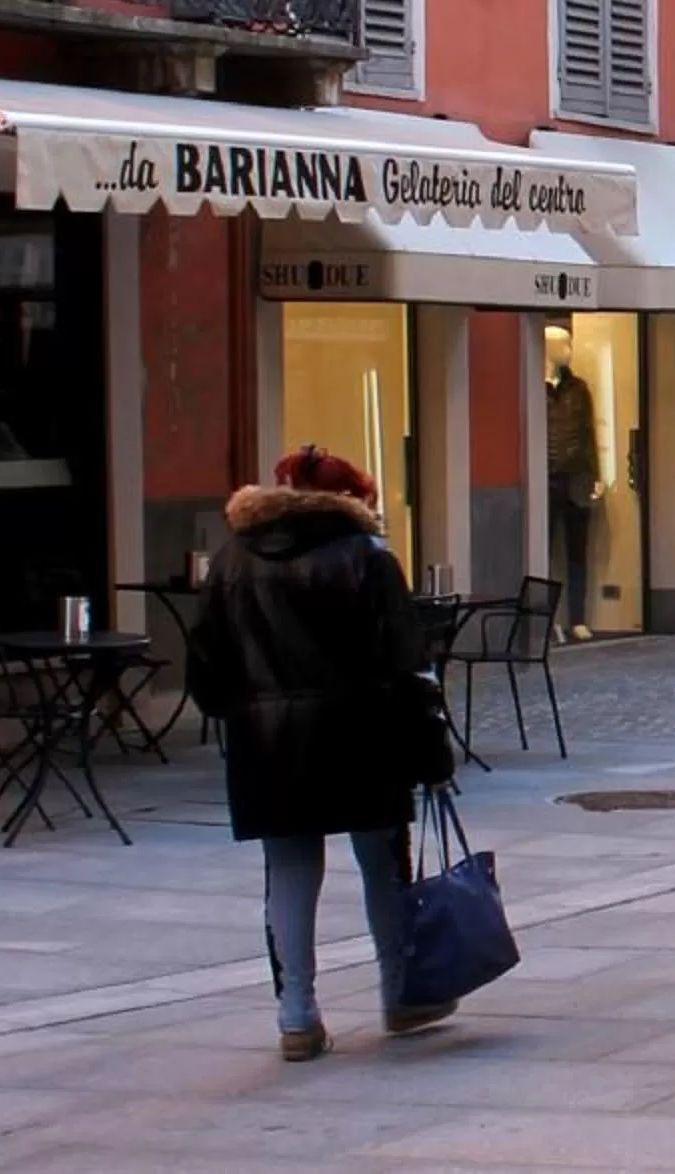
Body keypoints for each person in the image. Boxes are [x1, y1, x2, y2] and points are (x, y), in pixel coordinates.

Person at [186, 445, 455, 1060]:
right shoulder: (366, 555)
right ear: (352, 499)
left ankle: (297, 1016)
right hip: (363, 730)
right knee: (383, 866)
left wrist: (242, 712)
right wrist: (431, 747)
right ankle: (401, 993)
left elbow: (205, 663)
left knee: (288, 871)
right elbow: (408, 660)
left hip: (268, 739)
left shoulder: (231, 560)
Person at [543, 326, 600, 640]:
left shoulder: (578, 389)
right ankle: (549, 620)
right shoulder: (534, 386)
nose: (569, 350)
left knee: (578, 553)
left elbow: (589, 433)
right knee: (545, 552)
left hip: (577, 478)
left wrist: (596, 475)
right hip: (546, 477)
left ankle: (578, 617)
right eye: (563, 344)